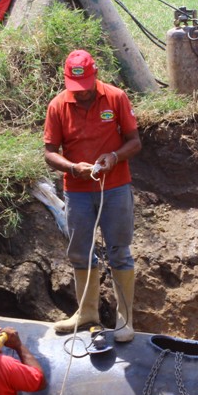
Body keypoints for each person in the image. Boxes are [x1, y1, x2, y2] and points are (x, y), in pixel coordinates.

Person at [43, 50, 142, 342]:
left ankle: (125, 319)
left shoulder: (116, 98)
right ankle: (87, 312)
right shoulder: (58, 106)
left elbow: (134, 141)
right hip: (78, 192)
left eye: (87, 86)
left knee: (119, 251)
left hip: (115, 188)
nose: (83, 93)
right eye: (77, 88)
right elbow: (50, 152)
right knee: (80, 252)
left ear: (95, 76)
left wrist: (114, 156)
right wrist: (73, 168)